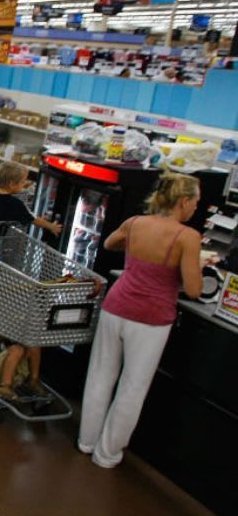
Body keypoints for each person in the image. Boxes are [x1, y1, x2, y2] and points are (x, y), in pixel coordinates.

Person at [78, 174, 203, 469]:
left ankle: (86, 441)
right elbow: (195, 289)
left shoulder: (135, 223)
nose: (196, 208)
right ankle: (107, 455)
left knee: (99, 376)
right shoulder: (187, 237)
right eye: (196, 202)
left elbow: (109, 243)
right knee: (132, 388)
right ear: (183, 201)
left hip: (116, 305)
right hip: (151, 318)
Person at [0, 161, 64, 400]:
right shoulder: (13, 204)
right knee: (4, 278)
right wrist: (52, 227)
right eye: (23, 182)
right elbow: (33, 220)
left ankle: (29, 380)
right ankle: (26, 381)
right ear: (12, 184)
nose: (26, 185)